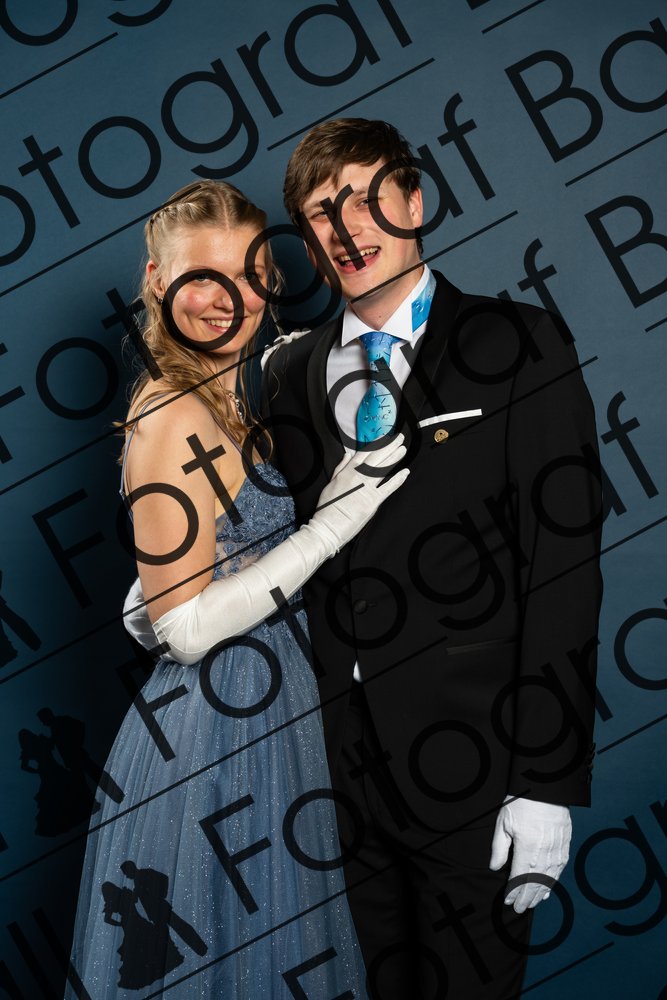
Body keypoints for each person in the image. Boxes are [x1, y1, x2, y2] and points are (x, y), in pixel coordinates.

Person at [258, 119, 603, 998]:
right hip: (330, 776)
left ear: (414, 202)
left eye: (368, 199)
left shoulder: (519, 341)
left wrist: (545, 780)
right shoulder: (289, 375)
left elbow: (562, 565)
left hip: (476, 763)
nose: (349, 228)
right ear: (307, 240)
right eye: (322, 213)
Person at [66, 179, 409, 998]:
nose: (230, 299)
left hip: (266, 711)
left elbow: (197, 567)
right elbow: (186, 631)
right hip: (215, 736)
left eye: (251, 276)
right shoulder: (172, 411)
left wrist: (147, 600)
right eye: (202, 277)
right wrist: (331, 524)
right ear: (156, 280)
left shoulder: (224, 396)